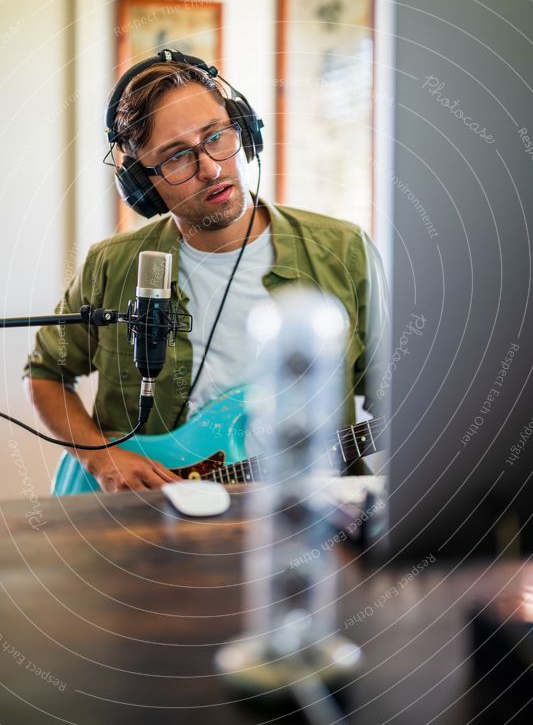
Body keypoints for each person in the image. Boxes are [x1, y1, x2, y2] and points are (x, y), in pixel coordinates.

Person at [23, 49, 388, 494]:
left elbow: (395, 392)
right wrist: (101, 458)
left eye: (217, 136)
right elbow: (46, 373)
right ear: (142, 185)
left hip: (301, 524)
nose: (212, 169)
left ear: (247, 132)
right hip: (137, 521)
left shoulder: (345, 251)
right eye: (176, 157)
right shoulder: (109, 264)